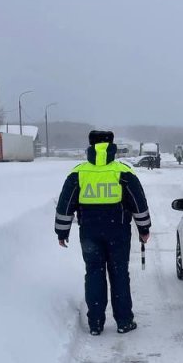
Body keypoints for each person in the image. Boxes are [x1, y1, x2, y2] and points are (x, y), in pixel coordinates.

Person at [55, 130, 151, 336]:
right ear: (112, 146)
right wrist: (144, 229)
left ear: (90, 146)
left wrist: (62, 232)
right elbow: (138, 203)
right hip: (118, 232)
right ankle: (124, 321)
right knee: (119, 275)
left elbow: (65, 204)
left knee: (94, 274)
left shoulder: (78, 172)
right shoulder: (123, 171)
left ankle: (96, 323)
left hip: (90, 233)